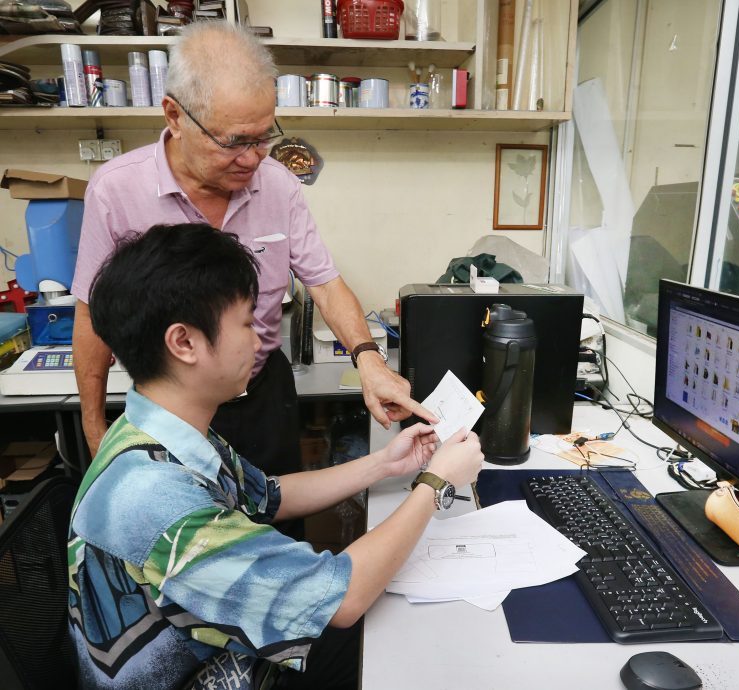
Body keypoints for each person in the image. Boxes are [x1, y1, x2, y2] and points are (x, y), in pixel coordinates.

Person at [68, 222, 483, 690]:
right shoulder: (158, 503)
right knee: (407, 645)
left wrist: (385, 464)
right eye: (246, 323)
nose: (260, 339)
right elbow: (343, 598)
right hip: (212, 676)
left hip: (218, 649)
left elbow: (270, 495)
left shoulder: (160, 430)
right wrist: (437, 483)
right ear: (183, 342)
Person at [71, 20, 433, 484]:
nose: (254, 157)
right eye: (235, 141)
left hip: (262, 394)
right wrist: (95, 428)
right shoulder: (116, 190)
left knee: (276, 520)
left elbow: (323, 282)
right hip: (172, 408)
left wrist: (369, 361)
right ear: (175, 116)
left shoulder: (277, 186)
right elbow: (90, 317)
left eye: (265, 136)